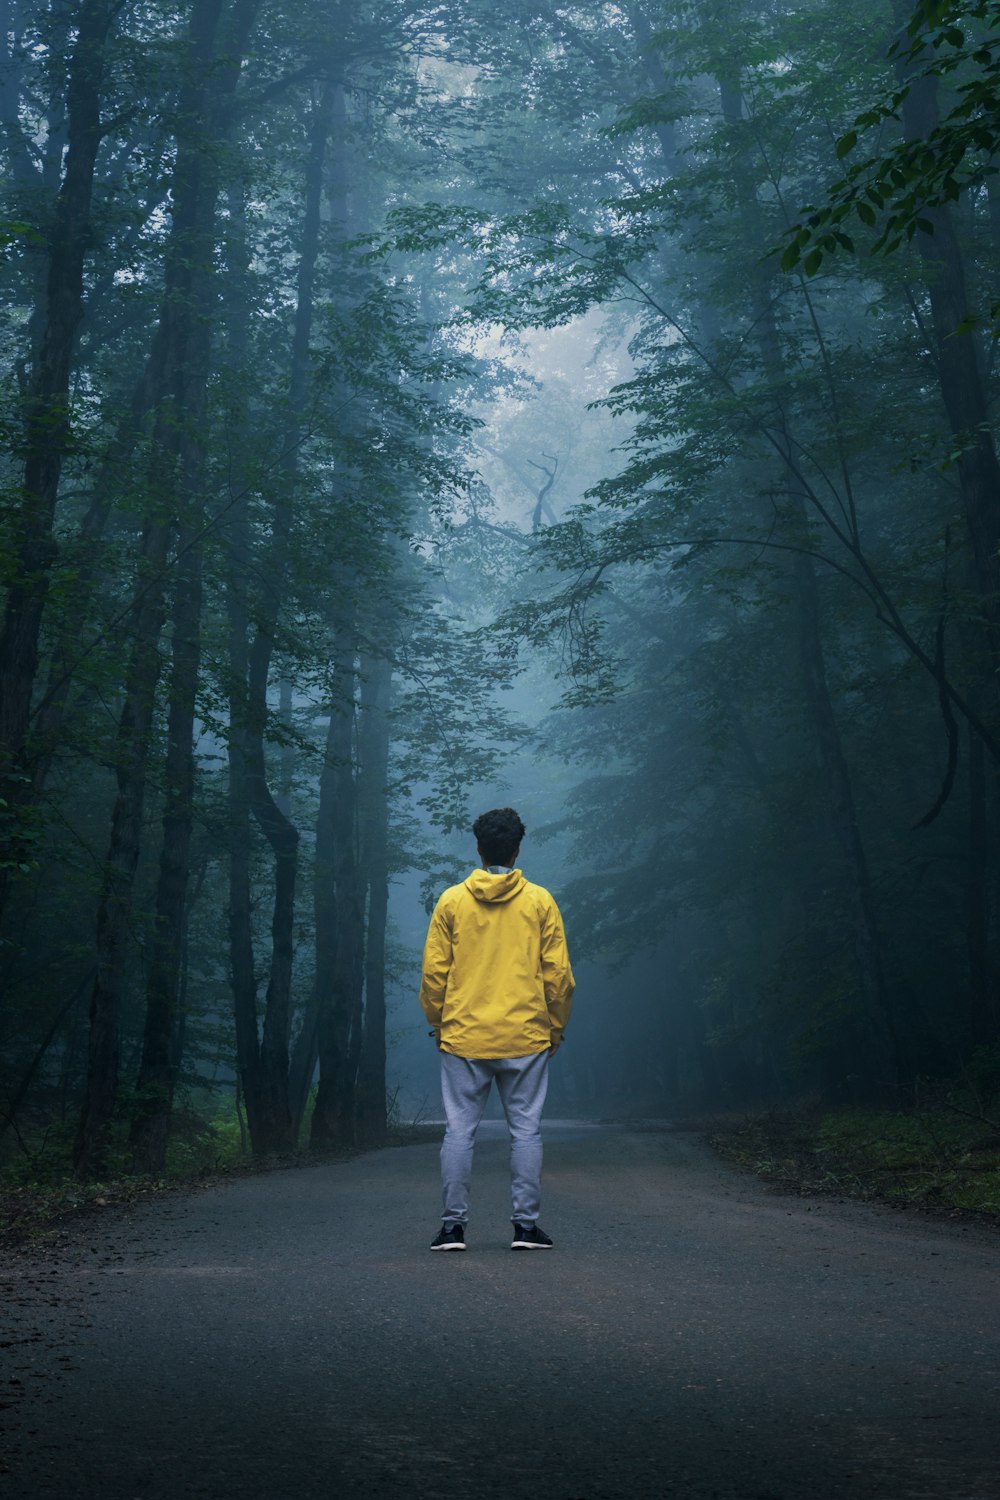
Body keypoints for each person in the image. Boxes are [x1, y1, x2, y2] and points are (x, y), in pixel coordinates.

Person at [419, 806, 575, 1251]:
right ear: (518, 847)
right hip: (526, 1036)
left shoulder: (451, 901)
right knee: (526, 1131)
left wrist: (439, 1023)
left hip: (463, 1037)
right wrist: (555, 1028)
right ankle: (525, 1228)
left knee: (459, 1131)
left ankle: (452, 1229)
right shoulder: (540, 901)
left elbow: (433, 975)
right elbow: (558, 976)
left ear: (478, 847)